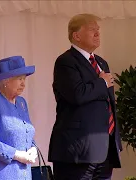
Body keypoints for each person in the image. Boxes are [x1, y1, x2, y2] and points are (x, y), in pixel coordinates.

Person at [48, 13, 122, 180]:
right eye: (92, 30)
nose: (97, 34)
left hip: (105, 149)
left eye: (98, 30)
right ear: (76, 35)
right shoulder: (66, 61)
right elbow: (77, 95)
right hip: (77, 151)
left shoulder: (102, 63)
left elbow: (108, 104)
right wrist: (101, 83)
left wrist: (115, 139)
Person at [0, 56, 38, 180]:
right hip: (0, 174)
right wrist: (16, 154)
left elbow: (26, 132)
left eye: (24, 79)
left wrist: (33, 148)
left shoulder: (21, 102)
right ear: (6, 81)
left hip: (23, 174)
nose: (23, 83)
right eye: (19, 79)